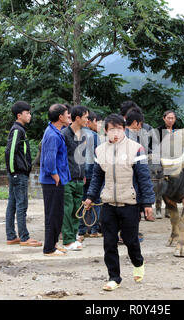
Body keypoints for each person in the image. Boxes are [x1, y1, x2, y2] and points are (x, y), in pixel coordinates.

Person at [84, 114, 155, 291]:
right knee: (109, 243)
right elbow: (96, 177)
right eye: (111, 130)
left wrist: (147, 204)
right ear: (105, 131)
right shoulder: (100, 151)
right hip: (108, 204)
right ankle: (114, 277)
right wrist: (91, 197)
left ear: (124, 130)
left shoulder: (136, 149)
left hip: (130, 203)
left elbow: (144, 179)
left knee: (131, 241)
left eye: (119, 129)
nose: (115, 133)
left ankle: (138, 262)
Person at [4, 102, 42, 247]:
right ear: (19, 115)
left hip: (18, 173)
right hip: (18, 174)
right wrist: (14, 172)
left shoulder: (20, 130)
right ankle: (24, 237)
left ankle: (11, 236)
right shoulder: (16, 130)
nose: (29, 115)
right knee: (21, 205)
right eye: (27, 113)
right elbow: (10, 151)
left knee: (13, 204)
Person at [39, 104, 71, 256]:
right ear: (60, 117)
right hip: (52, 181)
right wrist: (54, 174)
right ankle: (49, 248)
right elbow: (49, 158)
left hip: (57, 180)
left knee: (57, 214)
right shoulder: (52, 135)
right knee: (53, 214)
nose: (68, 116)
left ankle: (53, 244)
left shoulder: (55, 132)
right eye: (67, 114)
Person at [61, 105, 89, 251]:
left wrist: (83, 174)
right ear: (77, 118)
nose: (87, 120)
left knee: (77, 210)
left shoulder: (83, 135)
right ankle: (67, 240)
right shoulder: (64, 134)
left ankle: (73, 236)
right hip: (67, 179)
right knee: (67, 209)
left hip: (79, 178)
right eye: (85, 117)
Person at [78, 111, 102, 238]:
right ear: (91, 121)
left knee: (82, 201)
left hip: (80, 175)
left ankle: (81, 230)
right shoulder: (94, 136)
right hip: (93, 173)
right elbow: (99, 155)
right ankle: (94, 230)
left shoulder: (76, 134)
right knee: (95, 200)